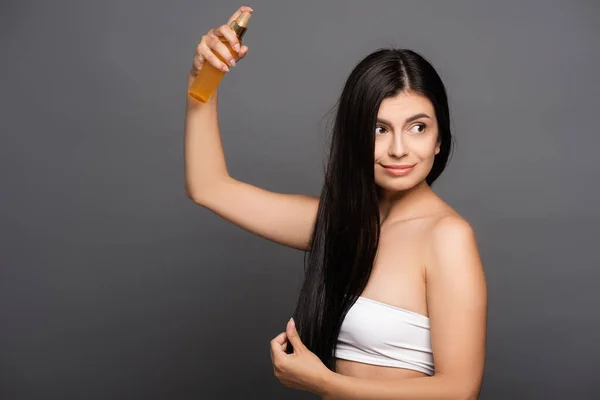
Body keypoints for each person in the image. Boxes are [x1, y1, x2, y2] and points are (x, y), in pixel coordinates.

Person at [184, 6, 487, 399]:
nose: (399, 149)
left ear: (439, 139)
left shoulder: (448, 237)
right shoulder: (340, 224)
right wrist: (203, 81)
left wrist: (323, 382)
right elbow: (209, 187)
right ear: (353, 137)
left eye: (417, 127)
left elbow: (460, 391)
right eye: (379, 129)